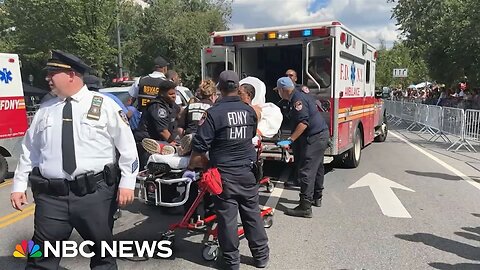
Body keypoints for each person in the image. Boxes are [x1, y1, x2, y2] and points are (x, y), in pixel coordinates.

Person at [10, 50, 138, 269]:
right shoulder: (45, 110)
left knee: (102, 257)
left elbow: (127, 148)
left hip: (94, 195)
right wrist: (19, 185)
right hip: (52, 198)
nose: (47, 78)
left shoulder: (105, 105)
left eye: (52, 73)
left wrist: (127, 183)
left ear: (71, 74)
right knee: (40, 258)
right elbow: (29, 151)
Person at [183, 71, 269, 269]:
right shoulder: (249, 111)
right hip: (248, 172)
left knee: (228, 219)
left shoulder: (213, 114)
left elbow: (199, 149)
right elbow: (251, 136)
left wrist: (202, 166)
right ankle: (261, 256)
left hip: (224, 175)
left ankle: (231, 262)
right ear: (238, 88)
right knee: (252, 214)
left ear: (219, 88)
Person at [276, 77, 329, 218]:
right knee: (317, 167)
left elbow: (303, 123)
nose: (278, 93)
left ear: (283, 90)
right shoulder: (299, 95)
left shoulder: (297, 100)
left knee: (307, 170)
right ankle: (317, 197)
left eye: (278, 91)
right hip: (321, 134)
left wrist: (290, 140)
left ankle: (305, 206)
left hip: (315, 137)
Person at [134, 80, 178, 167]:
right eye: (170, 94)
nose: (174, 96)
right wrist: (174, 144)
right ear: (162, 94)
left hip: (159, 143)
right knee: (148, 170)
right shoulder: (157, 107)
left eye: (174, 94)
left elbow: (180, 114)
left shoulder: (171, 105)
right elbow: (162, 131)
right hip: (147, 145)